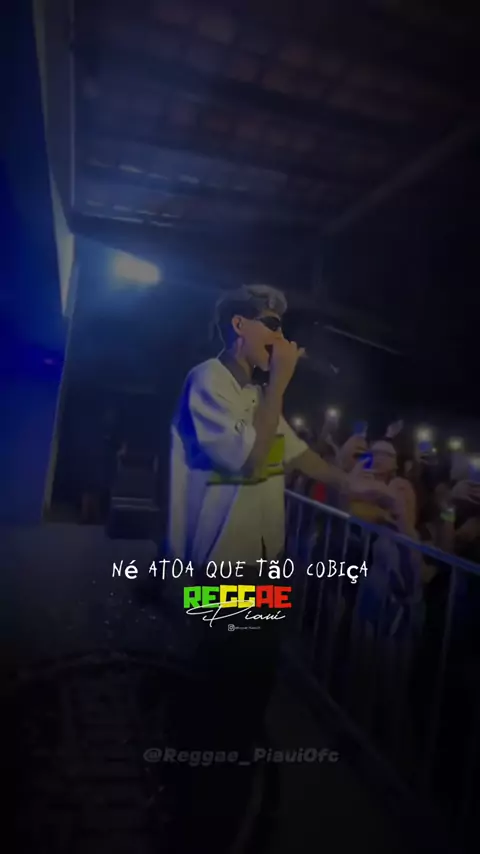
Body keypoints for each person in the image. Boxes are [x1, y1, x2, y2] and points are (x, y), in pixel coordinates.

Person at [165, 284, 393, 850]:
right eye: (271, 324)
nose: (281, 337)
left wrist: (352, 483)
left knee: (249, 690)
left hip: (262, 567)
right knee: (223, 694)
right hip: (221, 568)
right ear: (239, 325)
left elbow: (296, 452)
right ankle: (200, 819)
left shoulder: (256, 393)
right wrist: (281, 384)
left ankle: (227, 809)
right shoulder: (208, 381)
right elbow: (247, 461)